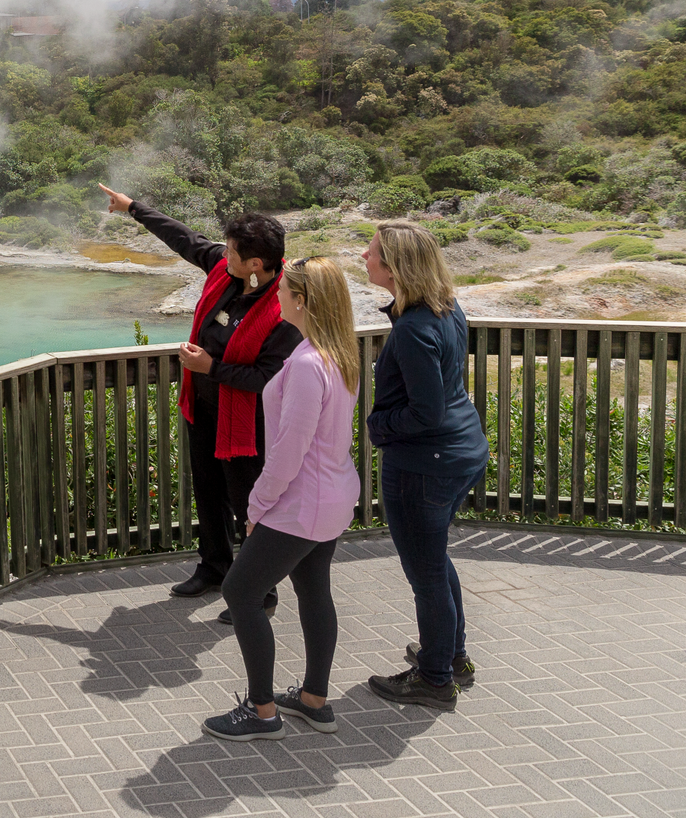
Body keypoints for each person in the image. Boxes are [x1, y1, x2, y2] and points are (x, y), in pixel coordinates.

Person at [98, 184, 300, 610]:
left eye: (231, 251)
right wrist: (133, 208)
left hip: (249, 421)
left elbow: (269, 378)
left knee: (250, 503)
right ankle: (214, 567)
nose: (222, 255)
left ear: (256, 264)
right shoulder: (227, 274)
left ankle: (260, 588)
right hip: (205, 408)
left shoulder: (283, 307)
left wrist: (212, 369)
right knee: (207, 490)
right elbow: (184, 238)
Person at [203, 257, 362, 741]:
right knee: (314, 590)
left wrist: (257, 507)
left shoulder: (310, 364)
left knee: (241, 592)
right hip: (331, 497)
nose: (277, 297)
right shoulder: (338, 353)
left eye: (284, 291)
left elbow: (290, 450)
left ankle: (262, 710)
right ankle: (314, 699)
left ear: (303, 301)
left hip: (300, 503)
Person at [361, 221, 487, 707]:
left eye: (371, 253)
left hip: (424, 464)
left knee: (426, 573)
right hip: (461, 452)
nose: (364, 258)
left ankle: (435, 679)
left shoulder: (414, 328)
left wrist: (378, 426)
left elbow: (425, 411)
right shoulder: (447, 308)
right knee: (435, 561)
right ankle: (450, 655)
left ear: (395, 267)